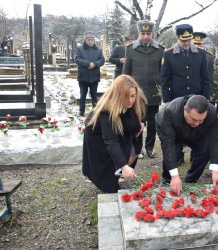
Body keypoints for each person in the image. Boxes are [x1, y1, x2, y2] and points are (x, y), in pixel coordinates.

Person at [82, 75, 146, 193]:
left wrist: (142, 121)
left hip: (118, 127)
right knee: (108, 177)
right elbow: (111, 140)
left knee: (135, 142)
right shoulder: (106, 110)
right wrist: (123, 166)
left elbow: (143, 106)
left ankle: (120, 171)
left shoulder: (135, 97)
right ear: (118, 96)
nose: (131, 100)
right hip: (98, 137)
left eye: (132, 96)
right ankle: (112, 177)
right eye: (126, 97)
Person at [160, 23, 210, 165]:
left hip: (197, 99)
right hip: (177, 99)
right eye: (183, 40)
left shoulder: (201, 53)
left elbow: (206, 79)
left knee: (198, 128)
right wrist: (167, 100)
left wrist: (206, 99)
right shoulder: (169, 54)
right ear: (177, 38)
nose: (187, 43)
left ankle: (196, 155)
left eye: (189, 40)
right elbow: (165, 80)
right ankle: (178, 156)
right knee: (176, 129)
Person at [155, 95, 218, 194]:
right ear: (185, 110)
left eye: (201, 120)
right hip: (172, 131)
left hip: (197, 133)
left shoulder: (211, 112)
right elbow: (168, 145)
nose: (196, 123)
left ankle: (191, 180)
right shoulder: (171, 111)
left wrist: (215, 171)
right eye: (194, 119)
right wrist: (174, 175)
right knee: (174, 151)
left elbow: (215, 139)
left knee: (206, 149)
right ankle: (167, 179)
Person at [123, 20, 165, 158]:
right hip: (136, 94)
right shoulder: (131, 49)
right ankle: (137, 148)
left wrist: (162, 89)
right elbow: (126, 73)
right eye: (143, 33)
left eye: (148, 33)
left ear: (152, 33)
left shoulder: (160, 50)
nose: (146, 36)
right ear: (138, 33)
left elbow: (163, 72)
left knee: (152, 123)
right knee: (137, 121)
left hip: (153, 93)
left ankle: (150, 147)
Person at [75, 32, 105, 117]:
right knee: (83, 94)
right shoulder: (80, 49)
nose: (91, 41)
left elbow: (102, 60)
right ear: (85, 40)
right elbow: (77, 59)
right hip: (83, 76)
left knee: (94, 95)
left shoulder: (98, 50)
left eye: (92, 40)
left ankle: (94, 111)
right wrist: (88, 64)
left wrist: (94, 64)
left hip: (94, 76)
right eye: (89, 40)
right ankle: (81, 111)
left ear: (94, 40)